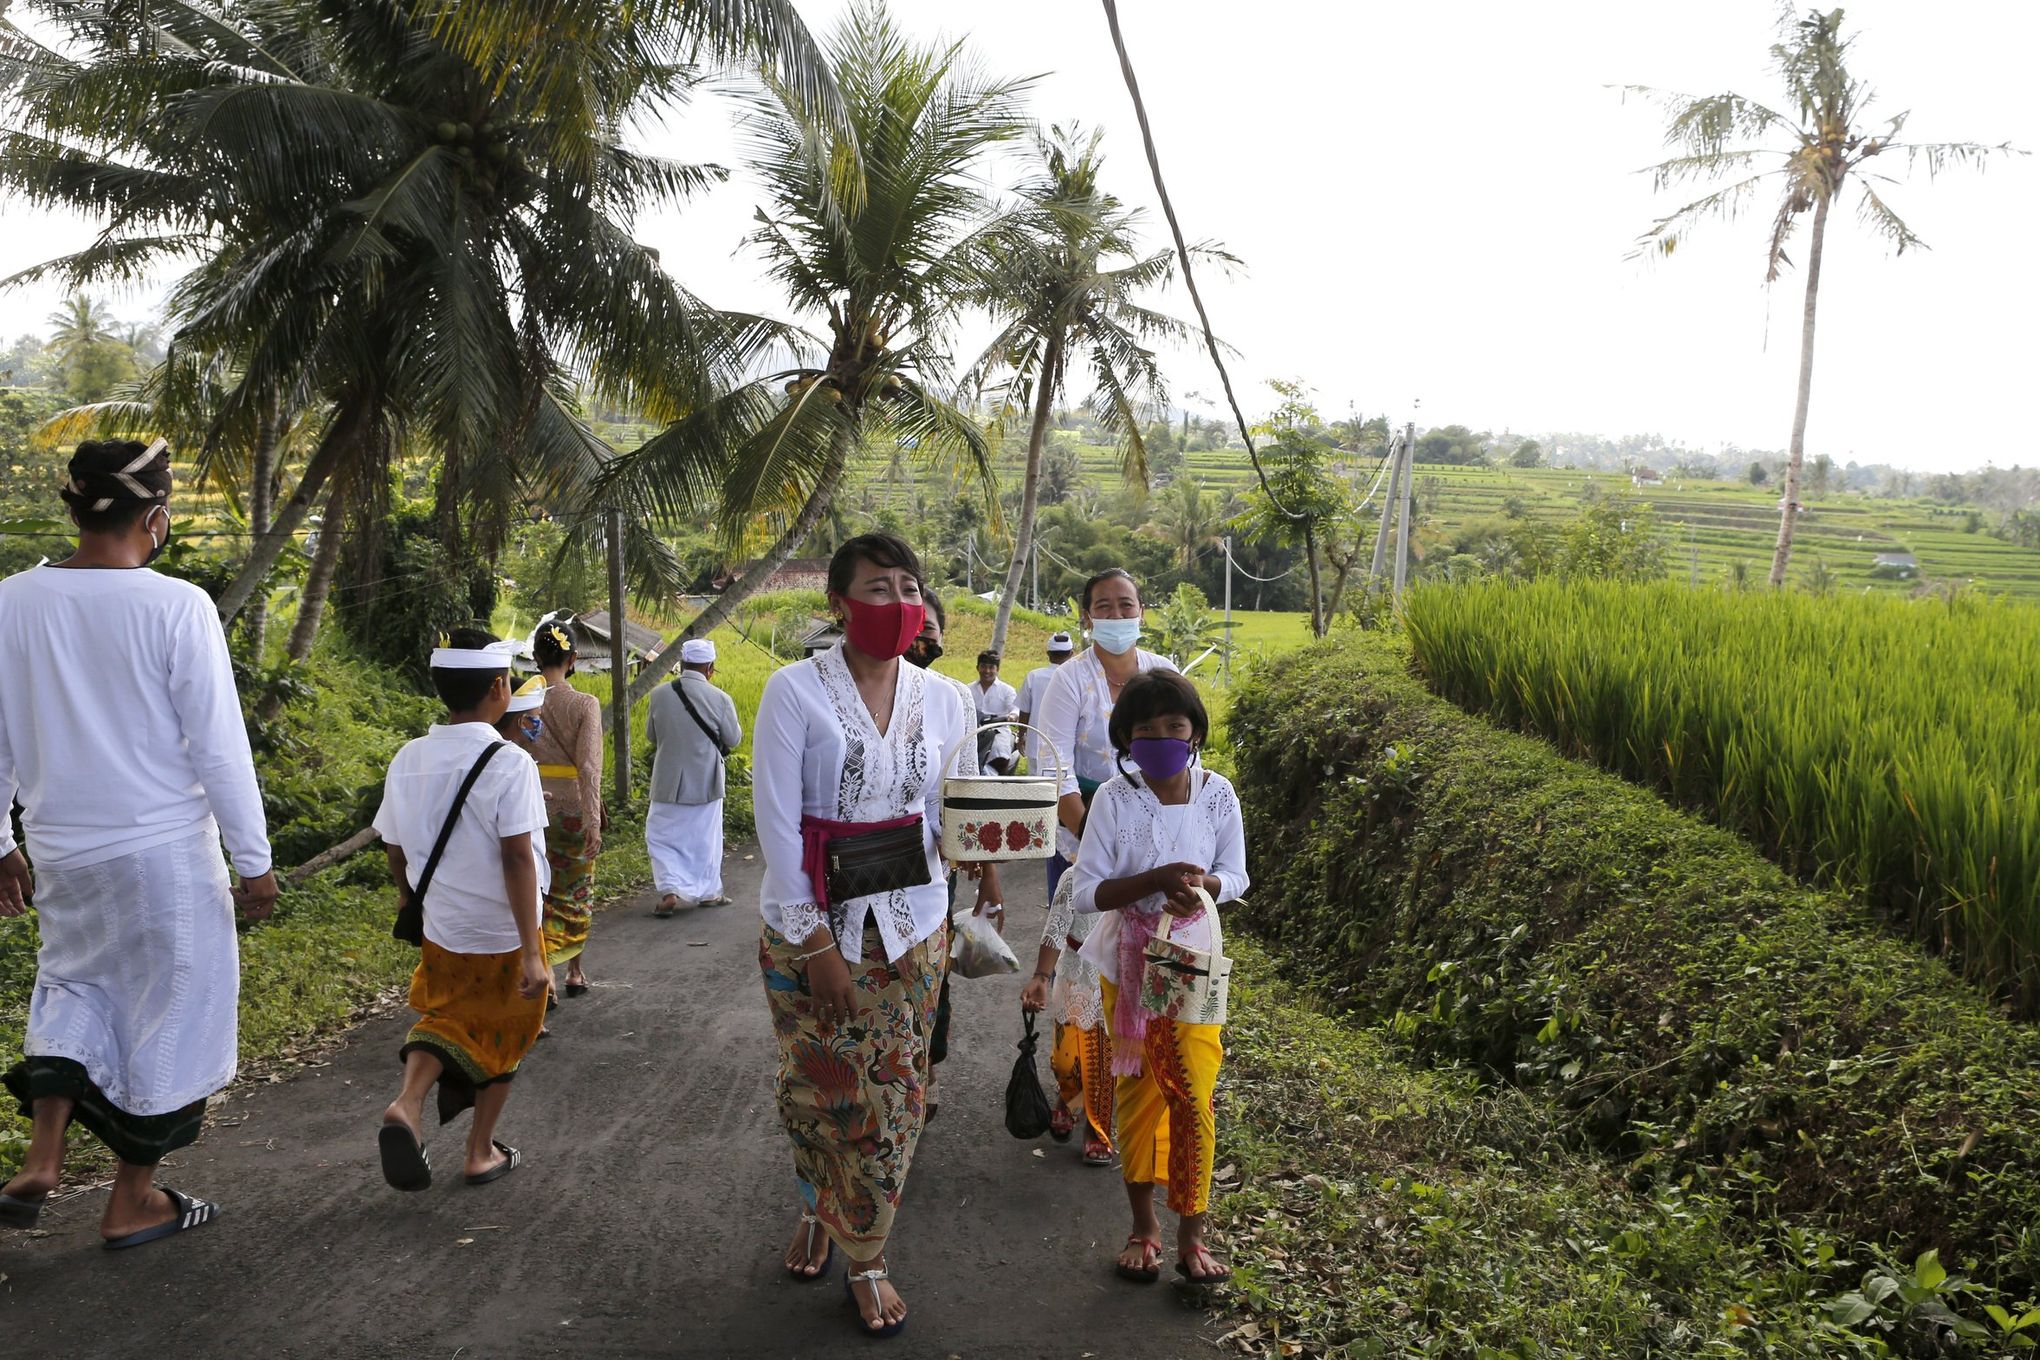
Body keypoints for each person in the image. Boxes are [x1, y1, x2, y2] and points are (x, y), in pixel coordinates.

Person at [0, 438, 276, 1248]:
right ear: (155, 518)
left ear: (76, 509)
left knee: (72, 990)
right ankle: (132, 1202)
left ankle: (43, 1156)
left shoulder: (9, 602)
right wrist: (254, 864)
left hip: (63, 852)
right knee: (173, 1013)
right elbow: (218, 748)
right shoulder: (176, 605)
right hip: (164, 856)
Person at [752, 535, 978, 1339]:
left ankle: (866, 1250)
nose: (896, 601)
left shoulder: (947, 698)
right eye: (876, 587)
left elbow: (948, 811)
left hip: (914, 924)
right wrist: (816, 946)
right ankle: (820, 1205)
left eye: (908, 585)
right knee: (819, 1087)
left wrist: (986, 859)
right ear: (838, 604)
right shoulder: (792, 692)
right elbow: (777, 830)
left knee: (895, 1095)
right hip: (815, 925)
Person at [1068, 670, 1247, 1288]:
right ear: (1126, 739)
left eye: (1175, 725)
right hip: (1130, 964)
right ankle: (1143, 1229)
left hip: (1193, 963)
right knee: (1139, 1096)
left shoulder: (1218, 793)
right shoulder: (1115, 799)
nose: (1162, 737)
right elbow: (1087, 893)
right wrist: (1153, 879)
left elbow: (1238, 875)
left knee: (1194, 1095)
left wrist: (1202, 887)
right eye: (1146, 729)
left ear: (1195, 731)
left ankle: (1192, 1238)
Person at [373, 632, 550, 1190]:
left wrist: (409, 899)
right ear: (500, 687)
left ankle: (408, 1102)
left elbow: (394, 849)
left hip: (444, 927)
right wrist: (530, 952)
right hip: (503, 929)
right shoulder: (510, 761)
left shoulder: (409, 758)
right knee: (504, 1032)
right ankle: (479, 1152)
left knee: (446, 1016)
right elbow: (518, 858)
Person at [903, 592, 1002, 1120]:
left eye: (931, 629)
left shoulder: (951, 698)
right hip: (855, 872)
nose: (923, 640)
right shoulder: (842, 692)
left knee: (931, 972)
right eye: (914, 628)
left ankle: (928, 1067)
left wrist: (988, 874)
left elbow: (965, 793)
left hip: (933, 869)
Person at [1033, 569, 1178, 898]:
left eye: (1126, 605)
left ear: (1141, 613)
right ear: (1087, 618)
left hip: (1156, 841)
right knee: (1083, 941)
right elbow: (1055, 768)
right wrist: (1096, 840)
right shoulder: (1069, 679)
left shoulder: (1164, 673)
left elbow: (1186, 756)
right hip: (1081, 837)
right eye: (1103, 607)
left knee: (1149, 941)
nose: (1116, 615)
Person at [527, 613, 604, 998]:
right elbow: (589, 767)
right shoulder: (584, 704)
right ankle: (573, 970)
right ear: (572, 659)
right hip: (573, 809)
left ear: (537, 658)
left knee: (540, 891)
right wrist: (593, 820)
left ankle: (548, 978)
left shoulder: (521, 702)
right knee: (576, 891)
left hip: (532, 808)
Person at [1020, 874, 1115, 1166]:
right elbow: (1055, 928)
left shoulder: (1138, 874)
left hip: (1117, 977)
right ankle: (1068, 1096)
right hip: (1076, 974)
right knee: (1066, 1061)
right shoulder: (1075, 878)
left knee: (1103, 1061)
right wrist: (1040, 976)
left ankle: (1096, 1128)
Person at [645, 638, 743, 916]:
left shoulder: (659, 694)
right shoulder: (721, 699)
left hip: (667, 782)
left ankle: (670, 889)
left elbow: (651, 736)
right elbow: (733, 739)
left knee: (661, 836)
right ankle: (710, 893)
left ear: (681, 665)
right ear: (710, 668)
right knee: (705, 838)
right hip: (706, 781)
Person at [1013, 631, 1076, 775]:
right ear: (1071, 653)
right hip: (1068, 746)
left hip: (1037, 743)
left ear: (1048, 654)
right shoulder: (1076, 677)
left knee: (1037, 786)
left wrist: (1021, 735)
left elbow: (1024, 710)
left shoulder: (1034, 676)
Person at [970, 650, 1018, 774]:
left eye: (991, 667)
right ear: (977, 668)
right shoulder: (968, 689)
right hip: (974, 730)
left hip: (999, 729)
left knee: (999, 750)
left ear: (997, 669)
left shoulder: (1007, 690)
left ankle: (1000, 780)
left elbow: (1015, 708)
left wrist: (1012, 715)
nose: (987, 671)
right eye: (983, 667)